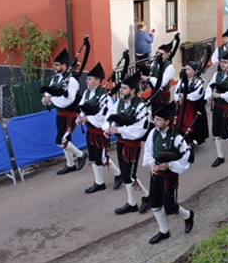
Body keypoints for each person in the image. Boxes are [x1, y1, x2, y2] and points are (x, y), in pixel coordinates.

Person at [142, 103, 194, 244]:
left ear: (167, 122)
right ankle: (163, 231)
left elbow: (186, 159)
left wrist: (169, 165)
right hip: (155, 174)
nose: (155, 122)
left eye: (158, 120)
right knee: (155, 203)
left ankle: (188, 215)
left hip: (169, 177)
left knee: (170, 206)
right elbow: (148, 151)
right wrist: (152, 165)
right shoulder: (153, 133)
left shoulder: (177, 138)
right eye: (155, 119)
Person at [104, 72, 151, 214]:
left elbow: (140, 130)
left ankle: (147, 196)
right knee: (125, 174)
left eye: (124, 88)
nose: (121, 91)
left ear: (133, 91)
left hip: (132, 145)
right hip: (121, 142)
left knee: (130, 175)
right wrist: (108, 129)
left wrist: (119, 129)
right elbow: (110, 116)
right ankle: (131, 203)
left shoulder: (141, 107)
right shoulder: (118, 103)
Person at [40, 49, 88, 175]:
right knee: (66, 140)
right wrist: (45, 100)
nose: (54, 67)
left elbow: (68, 100)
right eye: (54, 64)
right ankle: (70, 164)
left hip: (70, 115)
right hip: (60, 114)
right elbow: (49, 93)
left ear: (65, 66)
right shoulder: (55, 79)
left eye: (57, 65)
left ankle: (81, 154)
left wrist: (52, 98)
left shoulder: (71, 81)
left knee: (60, 140)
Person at [77, 63, 113, 194]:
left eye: (90, 78)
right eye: (87, 79)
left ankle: (118, 174)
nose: (87, 81)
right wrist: (80, 118)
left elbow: (103, 115)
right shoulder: (87, 93)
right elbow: (82, 108)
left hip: (99, 131)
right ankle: (99, 182)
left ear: (98, 80)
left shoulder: (105, 96)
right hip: (90, 131)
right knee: (94, 157)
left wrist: (88, 119)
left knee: (102, 158)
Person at [205, 48, 228, 167]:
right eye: (221, 62)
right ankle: (220, 156)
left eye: (225, 62)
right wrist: (209, 96)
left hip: (227, 108)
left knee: (225, 134)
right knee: (216, 132)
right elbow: (210, 87)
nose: (223, 64)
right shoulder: (217, 74)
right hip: (217, 106)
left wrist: (221, 95)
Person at [174, 61, 209, 146]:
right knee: (180, 122)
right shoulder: (182, 80)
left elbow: (197, 94)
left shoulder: (199, 81)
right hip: (182, 106)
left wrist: (186, 97)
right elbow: (176, 91)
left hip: (193, 106)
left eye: (188, 69)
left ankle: (191, 140)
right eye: (185, 69)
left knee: (191, 123)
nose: (186, 70)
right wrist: (178, 98)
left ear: (194, 71)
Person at [143, 38, 177, 115]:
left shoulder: (169, 67)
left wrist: (149, 78)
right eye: (157, 52)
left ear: (167, 55)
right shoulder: (154, 64)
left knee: (161, 114)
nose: (158, 55)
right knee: (153, 113)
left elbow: (162, 83)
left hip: (163, 95)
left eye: (161, 53)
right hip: (153, 92)